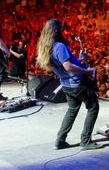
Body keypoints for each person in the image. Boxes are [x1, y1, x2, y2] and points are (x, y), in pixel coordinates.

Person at [36, 18, 102, 150]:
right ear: (56, 31)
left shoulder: (47, 48)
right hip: (77, 83)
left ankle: (60, 140)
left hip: (66, 84)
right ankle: (85, 140)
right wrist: (86, 71)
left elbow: (66, 64)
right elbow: (67, 66)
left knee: (72, 110)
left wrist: (79, 60)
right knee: (93, 107)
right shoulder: (59, 46)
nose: (63, 31)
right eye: (61, 29)